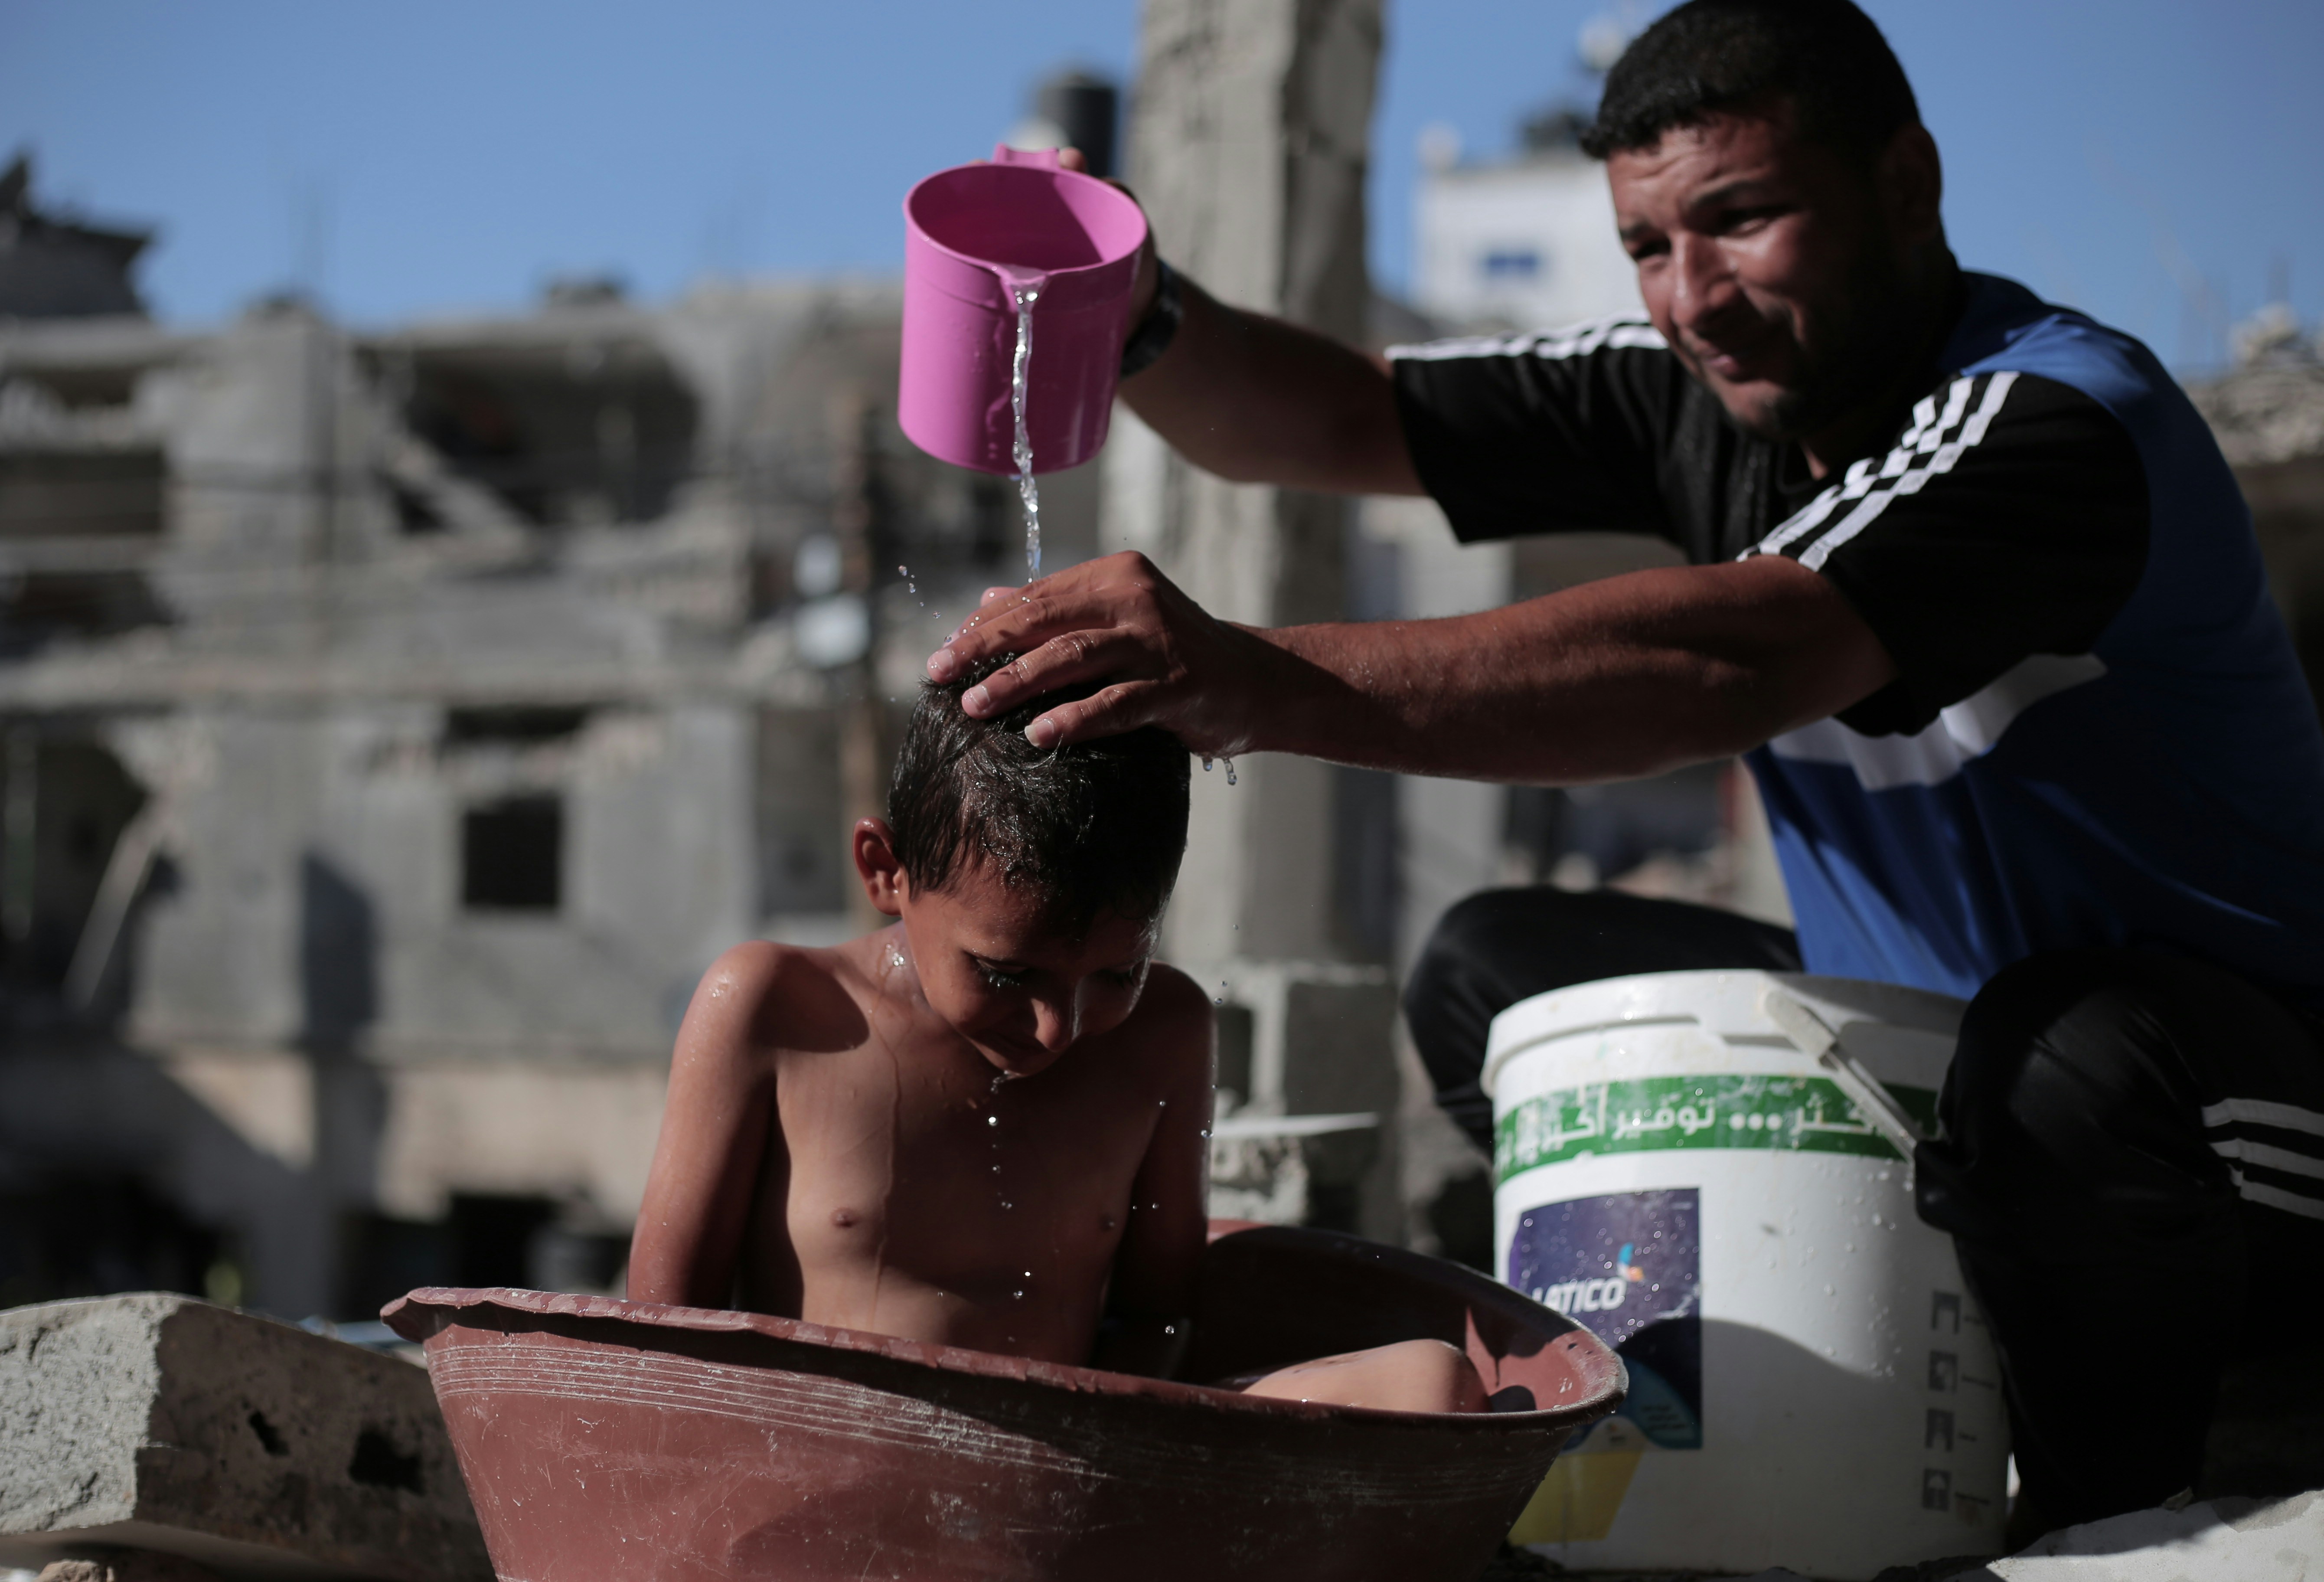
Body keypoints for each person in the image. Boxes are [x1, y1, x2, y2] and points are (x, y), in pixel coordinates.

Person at [927, 0, 2324, 1534]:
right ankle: (1730, 1419)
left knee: (2064, 1052)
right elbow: (1343, 415)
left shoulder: (2052, 422)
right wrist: (1129, 312)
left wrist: (1246, 675)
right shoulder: (1701, 390)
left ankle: (2099, 1514)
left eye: (1743, 220)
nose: (1693, 295)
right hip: (1934, 1074)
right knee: (1500, 976)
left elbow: (1735, 657)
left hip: (2224, 1113)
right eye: (1649, 245)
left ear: (1909, 185)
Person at [627, 656, 1485, 1413]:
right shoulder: (778, 1009)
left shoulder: (1164, 1031)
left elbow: (1158, 1314)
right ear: (886, 870)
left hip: (1075, 1467)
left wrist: (1084, 1455)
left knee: (1432, 1382)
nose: (1057, 1030)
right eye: (1006, 975)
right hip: (826, 1470)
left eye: (1117, 974)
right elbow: (663, 1339)